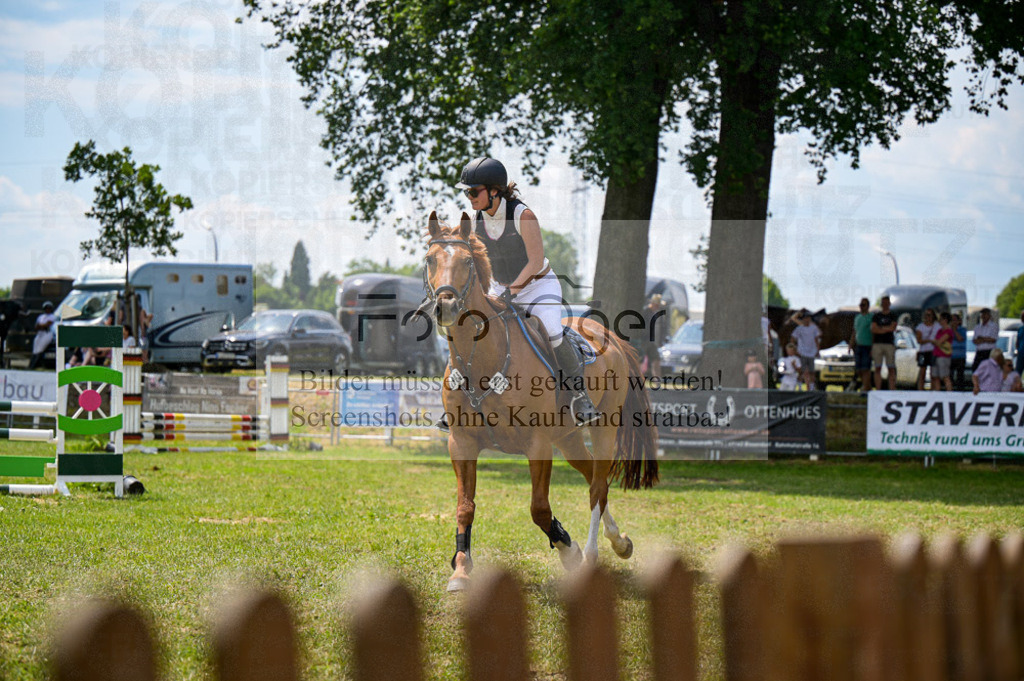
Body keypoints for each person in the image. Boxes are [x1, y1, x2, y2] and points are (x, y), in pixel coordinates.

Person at [448, 156, 600, 428]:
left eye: (474, 191)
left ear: (494, 191)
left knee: (553, 332)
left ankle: (579, 395)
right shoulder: (476, 220)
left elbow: (534, 259)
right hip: (499, 285)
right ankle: (461, 399)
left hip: (537, 285)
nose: (469, 197)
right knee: (474, 330)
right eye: (467, 192)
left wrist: (513, 290)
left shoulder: (523, 215)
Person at [871, 295, 898, 390]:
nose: (885, 304)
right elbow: (873, 329)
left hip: (889, 344)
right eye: (883, 303)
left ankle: (892, 389)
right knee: (877, 367)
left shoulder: (893, 315)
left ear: (889, 304)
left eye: (887, 302)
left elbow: (893, 327)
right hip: (877, 344)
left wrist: (881, 328)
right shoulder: (876, 315)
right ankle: (878, 389)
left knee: (891, 368)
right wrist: (886, 329)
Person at [790, 309, 821, 390]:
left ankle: (812, 386)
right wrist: (795, 349)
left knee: (811, 371)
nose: (807, 320)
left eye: (809, 318)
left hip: (811, 352)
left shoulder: (813, 328)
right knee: (805, 371)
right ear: (803, 319)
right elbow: (793, 338)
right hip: (802, 352)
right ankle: (806, 386)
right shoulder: (799, 328)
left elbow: (816, 339)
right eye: (806, 318)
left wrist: (817, 350)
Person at [851, 297, 874, 392]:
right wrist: (850, 343)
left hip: (867, 346)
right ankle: (867, 386)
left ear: (868, 306)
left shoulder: (871, 317)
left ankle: (865, 388)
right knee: (859, 369)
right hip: (858, 346)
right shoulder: (857, 318)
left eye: (863, 305)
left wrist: (873, 347)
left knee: (865, 368)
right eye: (860, 305)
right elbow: (855, 331)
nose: (861, 307)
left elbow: (873, 332)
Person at [642, 294, 668, 378]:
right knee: (641, 361)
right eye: (656, 304)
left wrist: (661, 339)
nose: (658, 306)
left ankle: (657, 381)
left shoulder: (659, 315)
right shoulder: (645, 312)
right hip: (645, 341)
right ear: (652, 303)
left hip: (654, 342)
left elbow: (662, 328)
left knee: (656, 361)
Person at [914, 308, 939, 390]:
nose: (927, 317)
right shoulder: (920, 327)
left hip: (933, 351)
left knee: (933, 373)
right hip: (923, 351)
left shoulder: (937, 326)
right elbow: (919, 340)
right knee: (922, 372)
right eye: (926, 315)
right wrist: (930, 340)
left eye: (929, 315)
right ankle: (920, 390)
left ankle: (932, 390)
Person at [28, 301, 57, 370]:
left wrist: (41, 325)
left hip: (47, 334)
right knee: (35, 348)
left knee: (40, 349)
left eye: (49, 308)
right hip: (40, 333)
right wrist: (41, 326)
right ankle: (31, 364)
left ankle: (34, 365)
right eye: (46, 308)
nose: (47, 309)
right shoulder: (41, 317)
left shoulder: (52, 316)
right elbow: (36, 327)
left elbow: (47, 325)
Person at [931, 312, 955, 391]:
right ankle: (937, 394)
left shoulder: (948, 331)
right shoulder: (939, 331)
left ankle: (949, 393)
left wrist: (935, 341)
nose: (939, 321)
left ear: (945, 320)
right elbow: (935, 341)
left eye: (941, 319)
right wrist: (935, 341)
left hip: (943, 356)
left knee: (945, 376)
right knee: (935, 377)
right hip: (936, 355)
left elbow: (938, 342)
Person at [950, 312, 968, 391]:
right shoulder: (947, 330)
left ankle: (960, 391)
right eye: (951, 320)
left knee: (960, 376)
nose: (953, 322)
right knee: (950, 375)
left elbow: (960, 339)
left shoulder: (963, 330)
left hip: (960, 356)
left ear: (958, 321)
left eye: (954, 320)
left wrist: (954, 330)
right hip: (950, 356)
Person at [1016, 309, 1024, 376]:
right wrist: (1017, 349)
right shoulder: (1020, 328)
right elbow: (1017, 341)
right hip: (1021, 354)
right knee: (1017, 374)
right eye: (1022, 316)